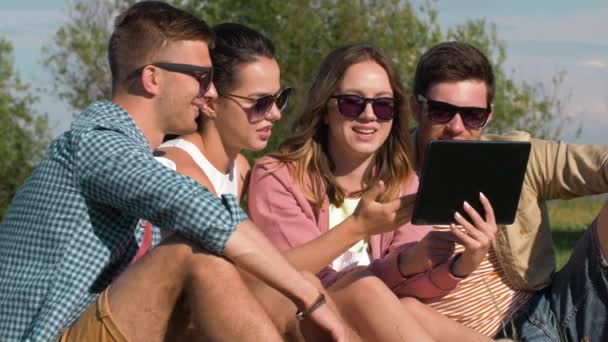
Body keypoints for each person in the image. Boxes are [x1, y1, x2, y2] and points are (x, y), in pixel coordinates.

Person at [0, 2, 348, 341]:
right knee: (190, 253)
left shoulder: (135, 154)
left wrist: (302, 292)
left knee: (285, 293)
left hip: (102, 323)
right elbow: (203, 212)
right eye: (201, 77)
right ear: (152, 78)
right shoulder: (97, 144)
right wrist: (309, 299)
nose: (210, 92)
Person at [248, 43, 498, 341]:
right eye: (352, 103)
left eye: (382, 106)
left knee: (409, 307)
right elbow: (288, 276)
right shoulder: (277, 176)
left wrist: (456, 265)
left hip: (368, 321)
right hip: (300, 318)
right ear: (325, 109)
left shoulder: (404, 182)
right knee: (364, 286)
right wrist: (359, 228)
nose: (369, 116)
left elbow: (404, 295)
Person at [408, 41, 608, 341]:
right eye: (441, 111)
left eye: (472, 115)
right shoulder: (388, 178)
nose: (456, 127)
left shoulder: (515, 156)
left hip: (548, 310)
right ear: (416, 107)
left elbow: (593, 163)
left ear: (488, 116)